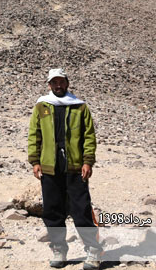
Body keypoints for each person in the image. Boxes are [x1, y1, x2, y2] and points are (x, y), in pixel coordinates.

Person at [28, 68, 102, 269]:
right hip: (50, 167)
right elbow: (34, 135)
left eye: (61, 82)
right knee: (53, 210)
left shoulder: (79, 107)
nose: (58, 85)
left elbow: (89, 136)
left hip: (75, 167)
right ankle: (59, 249)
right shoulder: (42, 106)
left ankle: (93, 250)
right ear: (49, 85)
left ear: (67, 83)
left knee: (82, 209)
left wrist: (88, 161)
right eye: (54, 82)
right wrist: (35, 161)